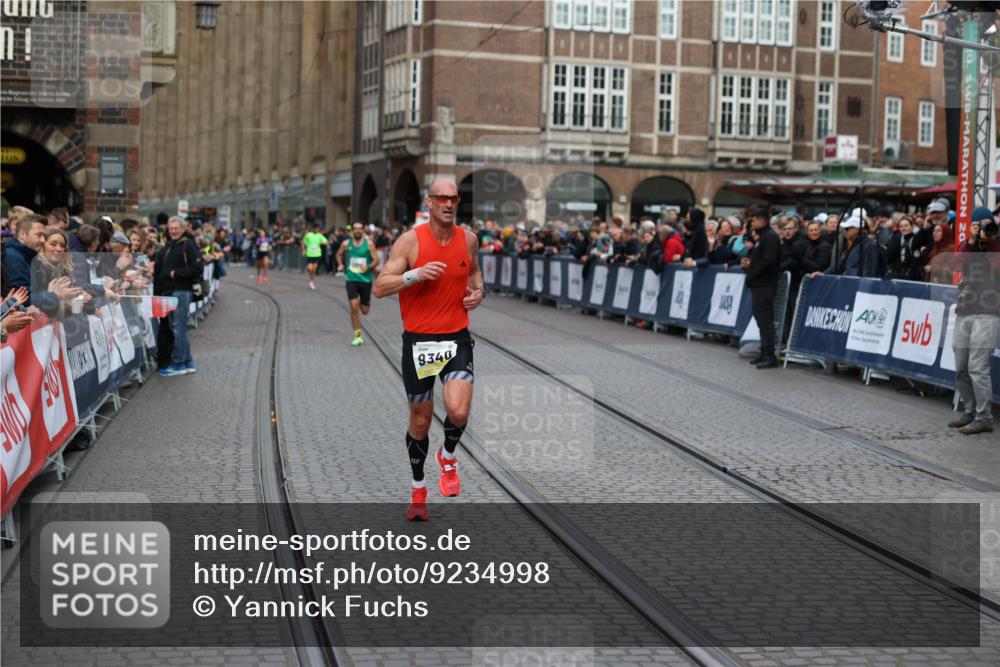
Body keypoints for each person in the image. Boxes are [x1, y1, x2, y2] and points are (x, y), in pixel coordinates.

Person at [373, 178, 485, 521]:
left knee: (459, 411)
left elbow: (476, 275)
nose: (448, 204)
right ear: (430, 202)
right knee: (420, 421)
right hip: (419, 342)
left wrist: (478, 293)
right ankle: (418, 488)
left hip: (456, 339)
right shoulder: (410, 242)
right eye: (441, 198)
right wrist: (415, 274)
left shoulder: (469, 239)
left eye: (453, 198)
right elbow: (379, 287)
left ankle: (448, 457)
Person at [948, 207, 1000, 434]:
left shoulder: (996, 244)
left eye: (987, 225)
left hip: (988, 312)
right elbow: (955, 266)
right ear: (972, 226)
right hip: (965, 310)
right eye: (979, 225)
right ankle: (969, 410)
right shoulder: (967, 244)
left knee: (978, 366)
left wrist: (990, 242)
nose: (983, 229)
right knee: (961, 366)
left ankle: (984, 417)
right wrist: (970, 240)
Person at [154, 217, 204, 376]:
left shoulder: (187, 244)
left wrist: (177, 273)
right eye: (171, 228)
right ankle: (188, 361)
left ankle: (178, 363)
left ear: (183, 229)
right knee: (176, 328)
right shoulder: (169, 246)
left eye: (176, 228)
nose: (173, 231)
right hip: (168, 292)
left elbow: (198, 267)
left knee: (178, 328)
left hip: (181, 291)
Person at [742, 206, 782, 369]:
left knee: (765, 321)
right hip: (759, 284)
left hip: (764, 284)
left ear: (762, 220)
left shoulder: (770, 237)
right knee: (761, 320)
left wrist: (754, 271)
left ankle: (769, 355)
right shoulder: (763, 237)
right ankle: (764, 351)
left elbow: (769, 261)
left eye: (755, 220)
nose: (753, 222)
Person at [336, 221, 379, 346]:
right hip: (351, 278)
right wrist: (340, 264)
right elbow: (338, 254)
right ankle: (358, 335)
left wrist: (368, 266)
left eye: (360, 229)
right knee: (354, 305)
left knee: (365, 310)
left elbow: (376, 260)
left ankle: (361, 302)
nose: (358, 231)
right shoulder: (346, 243)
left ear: (363, 231)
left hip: (365, 280)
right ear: (352, 231)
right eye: (355, 229)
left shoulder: (369, 244)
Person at [4, 213, 47, 299]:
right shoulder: (12, 257)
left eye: (44, 236)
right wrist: (54, 294)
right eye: (39, 235)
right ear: (22, 234)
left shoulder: (30, 255)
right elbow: (23, 296)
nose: (43, 240)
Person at [301, 222, 328, 290]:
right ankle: (311, 281)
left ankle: (312, 282)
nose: (317, 229)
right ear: (313, 228)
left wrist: (323, 242)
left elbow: (326, 241)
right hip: (310, 254)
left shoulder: (320, 235)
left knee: (314, 268)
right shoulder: (308, 235)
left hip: (317, 254)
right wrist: (303, 250)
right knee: (310, 268)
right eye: (316, 228)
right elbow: (303, 242)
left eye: (318, 228)